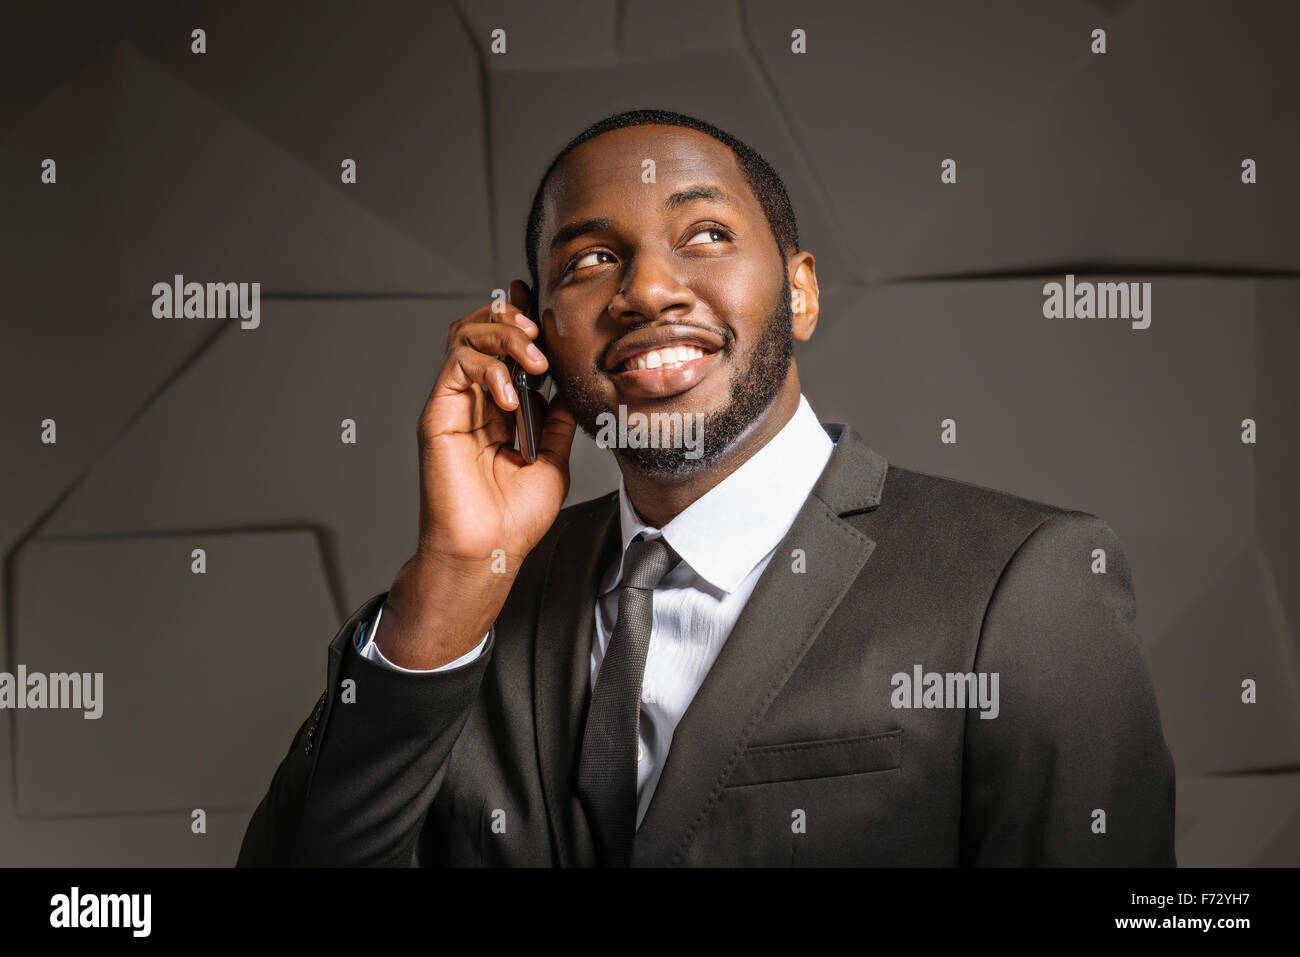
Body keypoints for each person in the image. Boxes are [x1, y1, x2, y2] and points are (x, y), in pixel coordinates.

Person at [237, 109, 1176, 867]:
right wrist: (447, 579)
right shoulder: (456, 617)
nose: (648, 289)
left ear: (800, 293)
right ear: (532, 330)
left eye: (707, 233)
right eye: (590, 260)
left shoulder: (1023, 585)